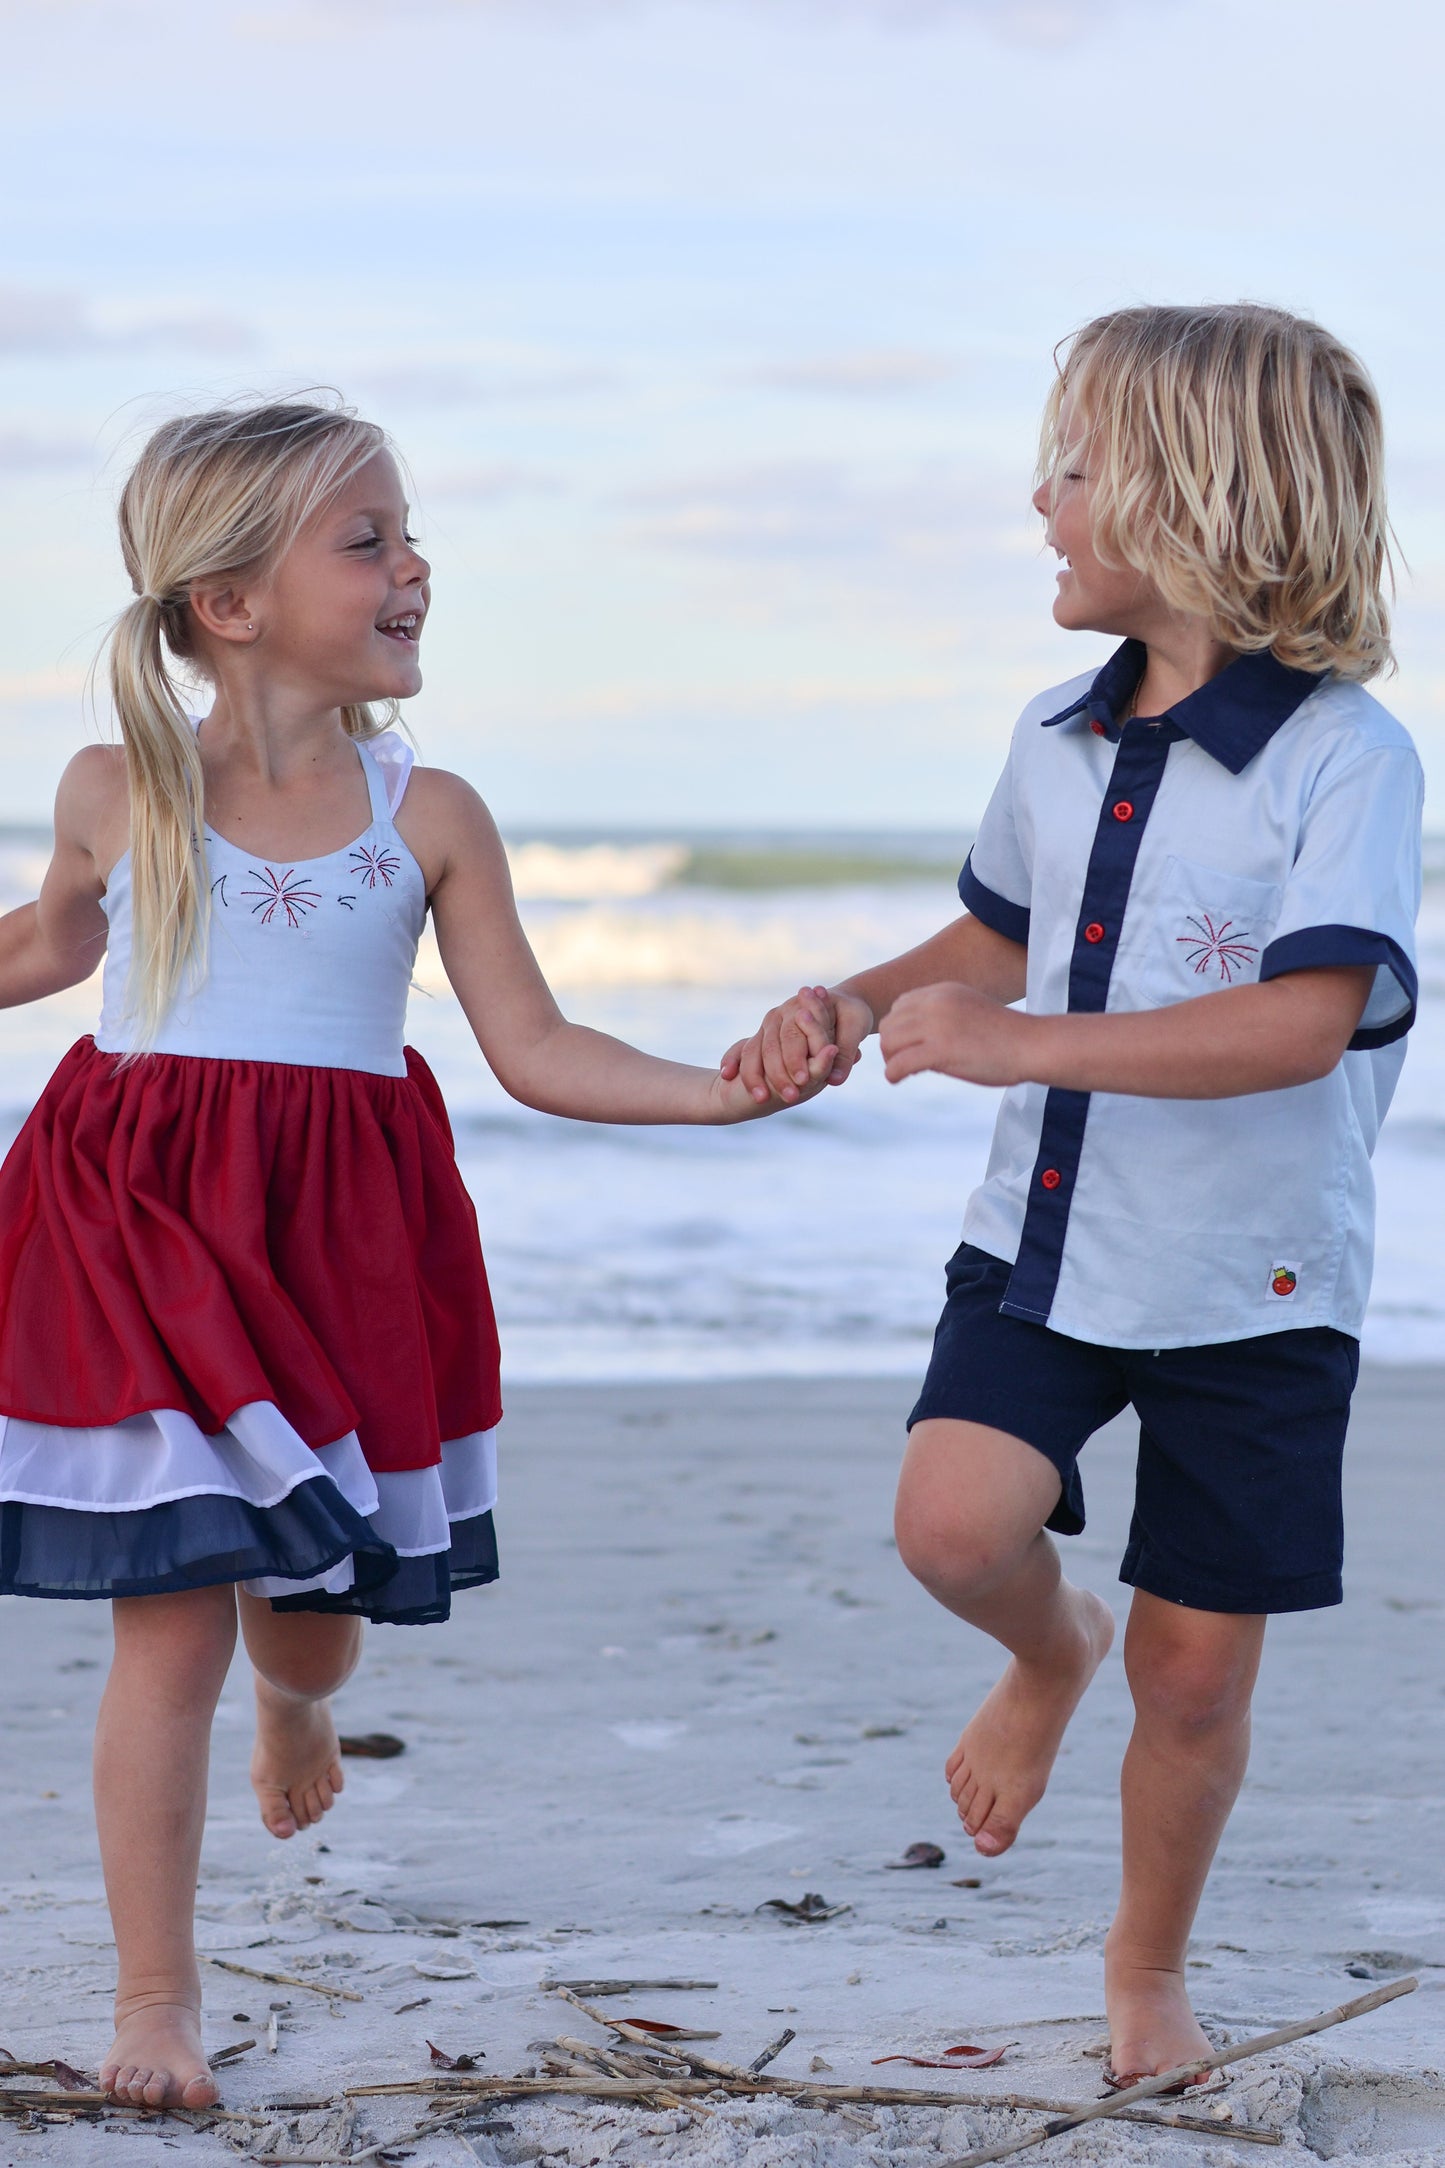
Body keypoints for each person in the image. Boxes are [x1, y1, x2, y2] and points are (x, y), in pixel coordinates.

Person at [0, 399, 830, 2113]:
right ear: (227, 601)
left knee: (306, 1623)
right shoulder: (116, 786)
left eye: (404, 534)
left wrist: (712, 1098)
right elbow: (44, 945)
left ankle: (298, 1707)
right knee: (167, 1624)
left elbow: (531, 1045)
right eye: (365, 540)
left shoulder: (428, 808)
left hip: (341, 1239)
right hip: (137, 1225)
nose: (412, 567)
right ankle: (157, 1997)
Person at [722, 304, 1422, 2087]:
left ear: (1200, 498)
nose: (1040, 495)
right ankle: (1047, 1654)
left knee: (1195, 1680)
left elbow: (1301, 1020)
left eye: (1078, 463)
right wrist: (869, 1001)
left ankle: (1142, 1965)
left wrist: (1017, 1044)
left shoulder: (1346, 759)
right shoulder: (1052, 733)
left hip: (1258, 1291)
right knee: (952, 1529)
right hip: (1042, 1245)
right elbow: (995, 931)